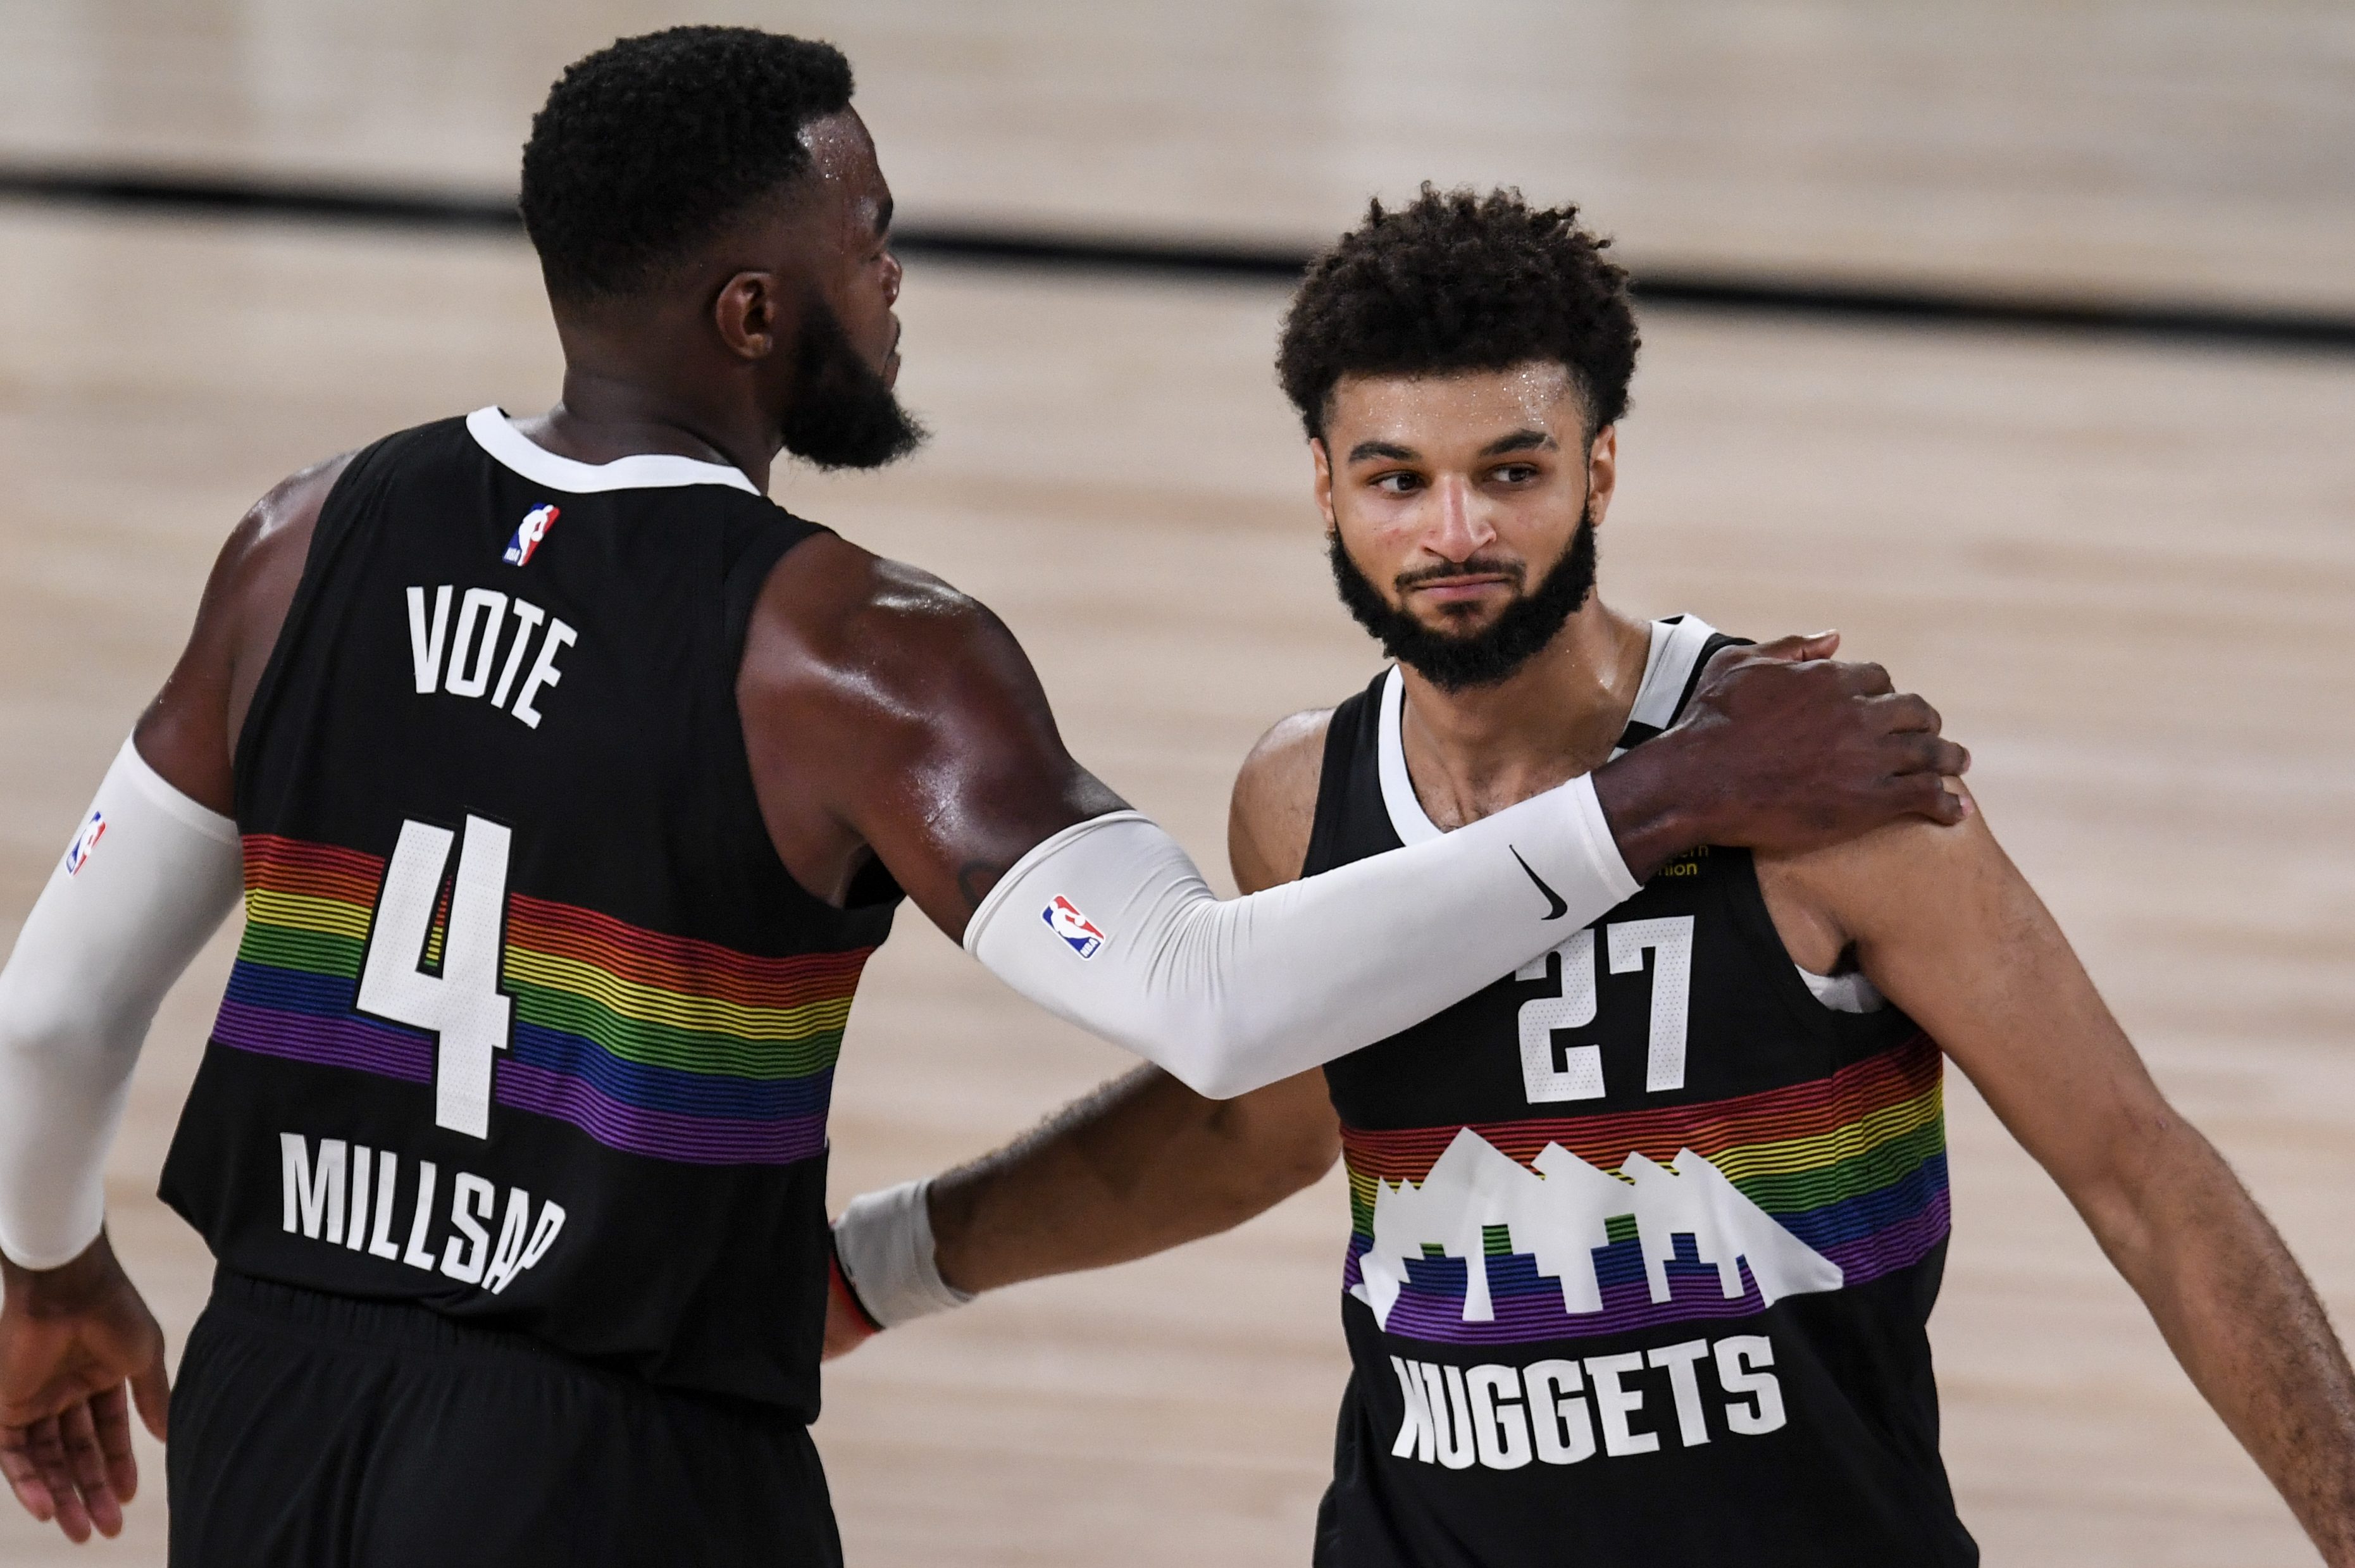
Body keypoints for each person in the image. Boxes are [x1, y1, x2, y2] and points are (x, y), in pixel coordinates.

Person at [0, 32, 1970, 1567]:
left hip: (275, 1400)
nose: (893, 273)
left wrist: (45, 1264)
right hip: (600, 1457)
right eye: (864, 237)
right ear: (751, 312)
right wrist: (1662, 797)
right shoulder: (858, 650)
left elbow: (54, 1007)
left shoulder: (305, 537)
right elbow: (1210, 999)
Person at [824, 187, 2355, 1565]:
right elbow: (1252, 1129)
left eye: (1512, 471)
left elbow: (2143, 1181)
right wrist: (874, 1269)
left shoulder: (1824, 784)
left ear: (1601, 468)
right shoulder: (1298, 798)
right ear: (1324, 488)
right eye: (1397, 480)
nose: (1457, 533)